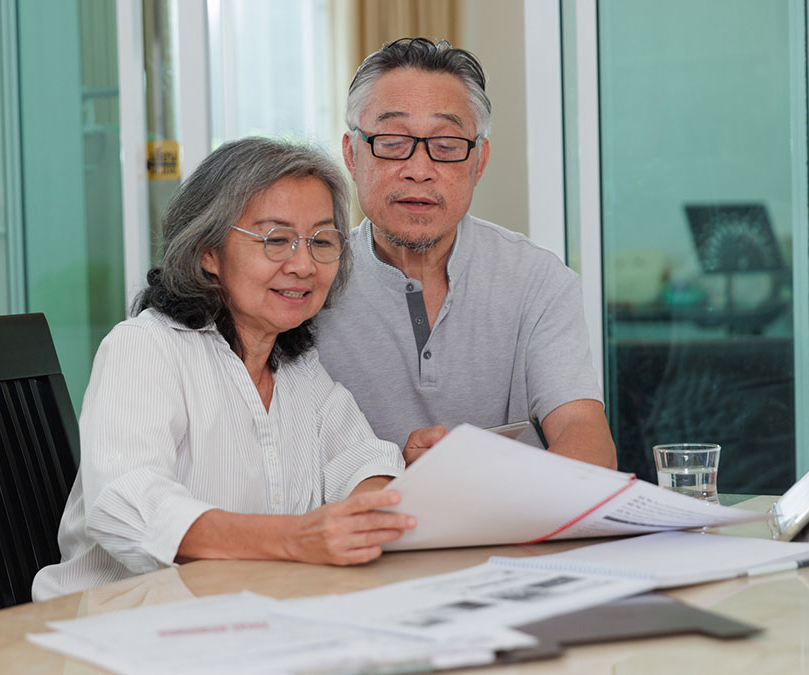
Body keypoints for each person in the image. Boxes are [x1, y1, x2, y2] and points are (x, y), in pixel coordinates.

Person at [33, 138, 426, 601]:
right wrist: (295, 538)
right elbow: (130, 503)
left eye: (321, 241)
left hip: (242, 622)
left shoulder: (299, 368)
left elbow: (359, 457)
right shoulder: (144, 347)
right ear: (208, 252)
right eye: (276, 240)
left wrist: (368, 510)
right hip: (112, 631)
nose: (303, 264)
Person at [315, 38, 617, 468]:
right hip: (366, 532)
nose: (419, 170)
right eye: (393, 140)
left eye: (447, 144)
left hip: (516, 530)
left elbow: (584, 437)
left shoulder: (538, 280)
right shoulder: (308, 279)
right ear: (351, 153)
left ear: (479, 162)